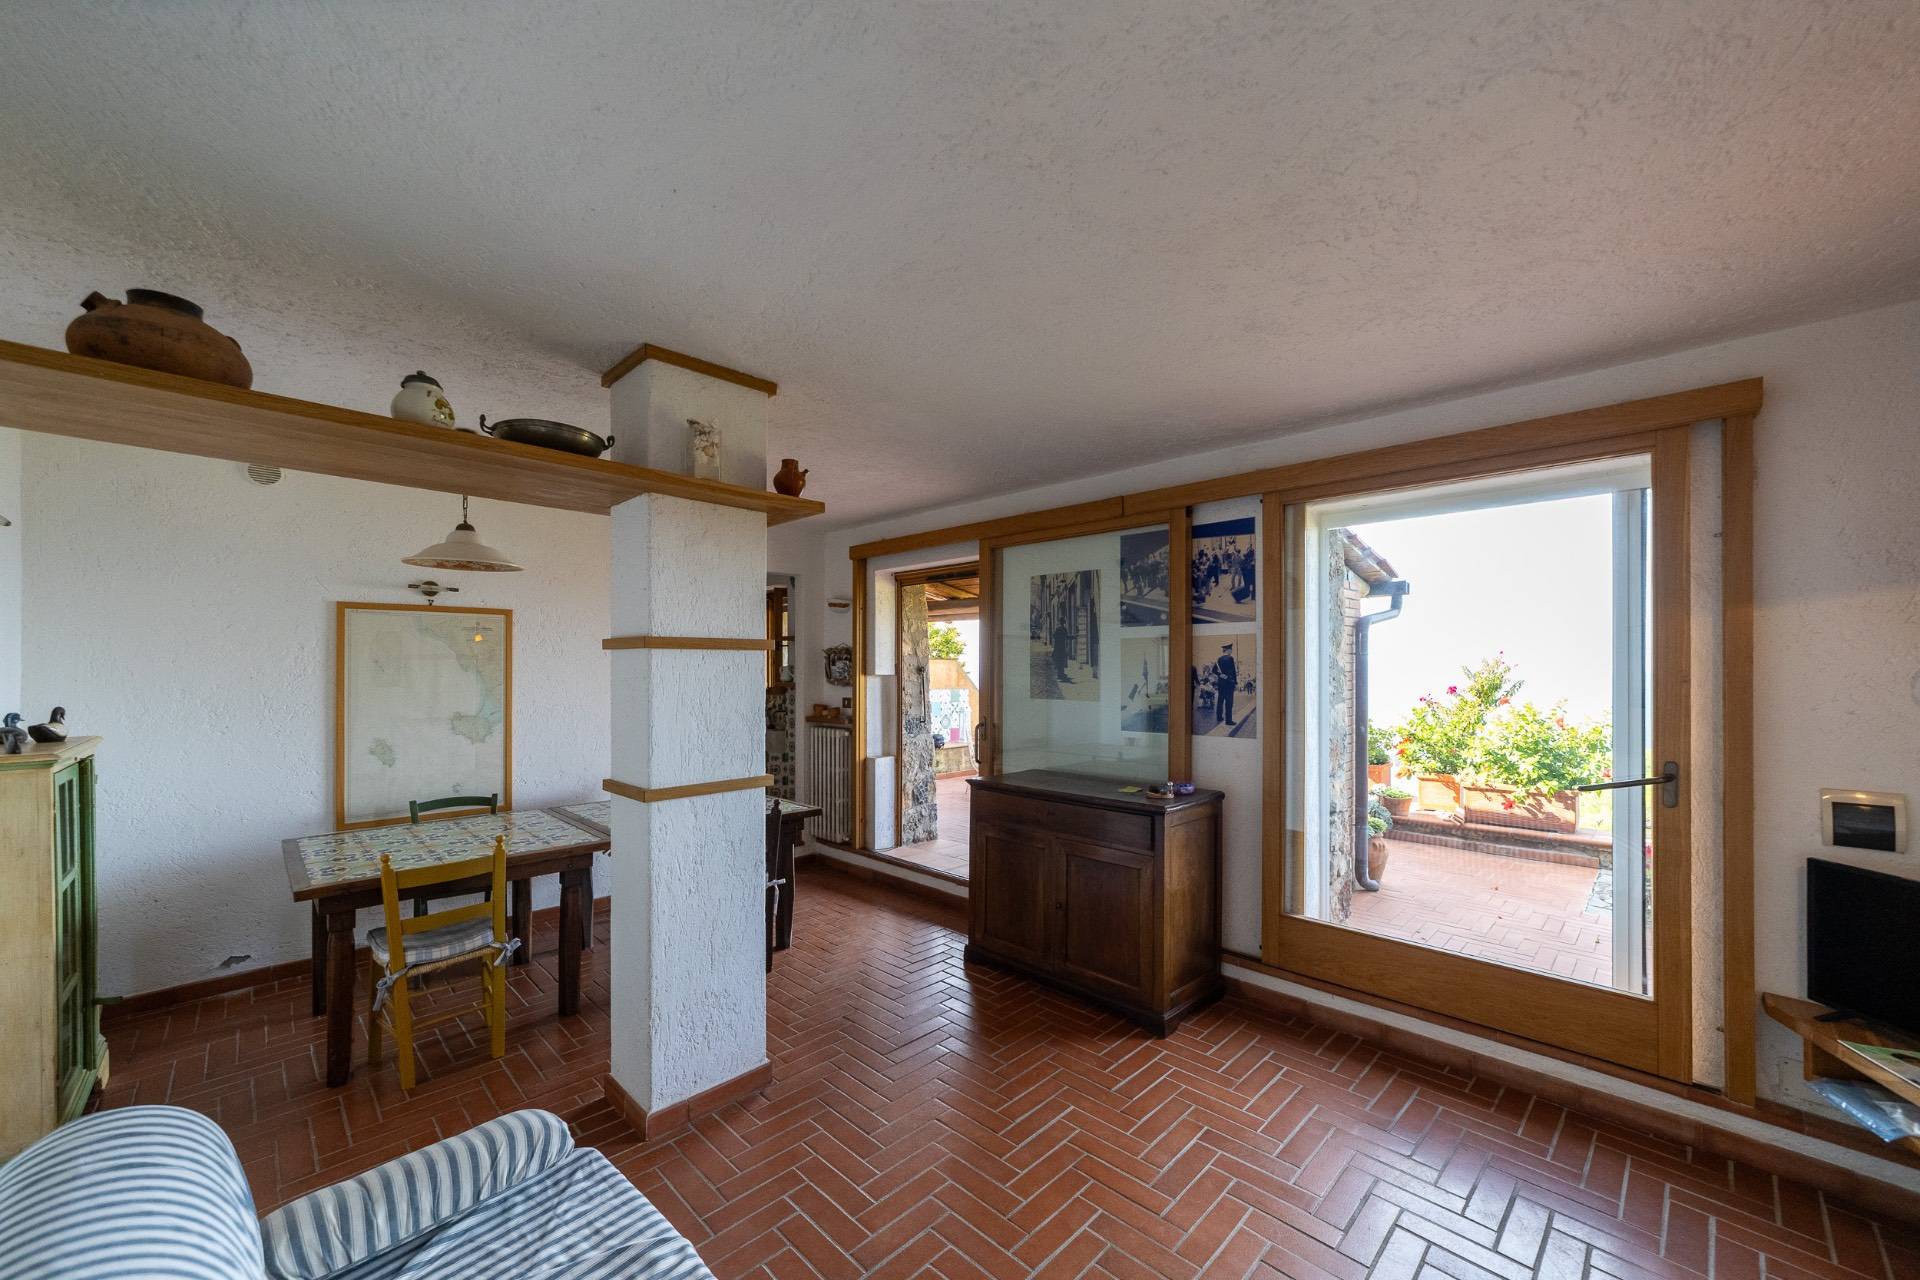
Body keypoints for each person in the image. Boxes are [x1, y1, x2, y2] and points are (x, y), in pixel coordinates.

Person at [1212, 643, 1238, 728]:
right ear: (1228, 650)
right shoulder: (1230, 658)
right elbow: (1233, 672)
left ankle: (1219, 717)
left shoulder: (1219, 659)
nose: (1231, 651)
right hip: (1229, 683)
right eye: (1231, 649)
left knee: (1220, 700)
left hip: (1221, 684)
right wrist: (1235, 682)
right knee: (1229, 702)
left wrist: (1221, 675)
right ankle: (1228, 720)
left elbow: (1214, 670)